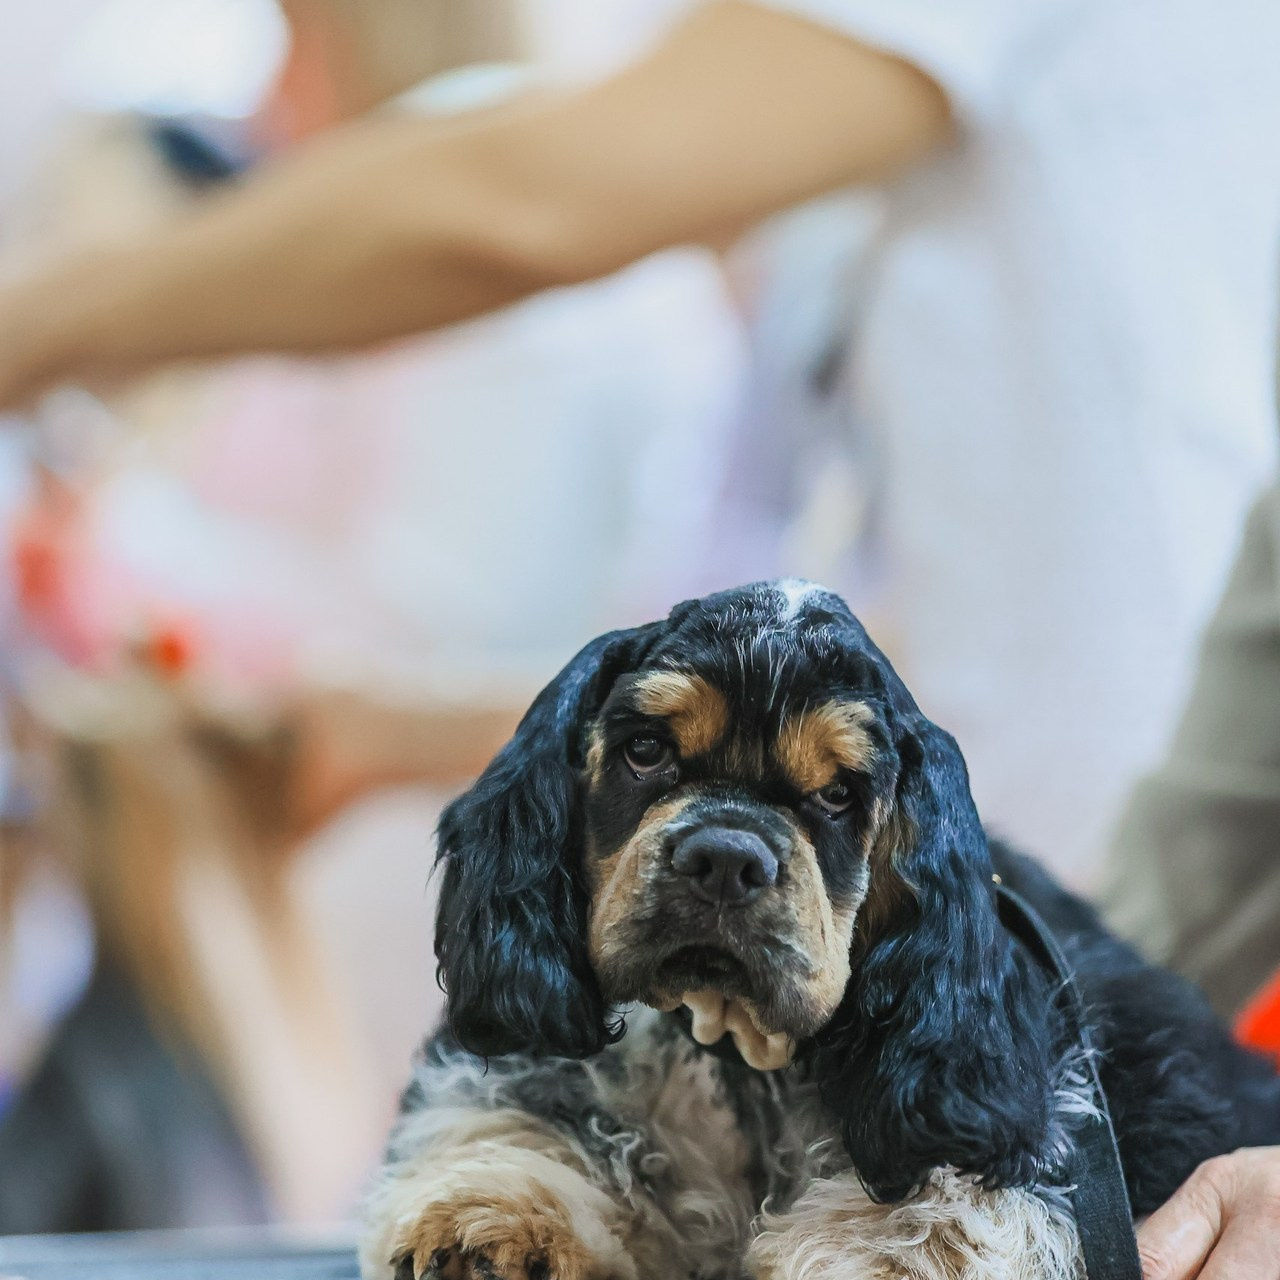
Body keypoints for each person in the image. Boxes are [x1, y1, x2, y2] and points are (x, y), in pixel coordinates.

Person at [2, 1, 1279, 1273]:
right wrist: (413, 724)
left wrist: (30, 324)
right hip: (1044, 920)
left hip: (992, 961)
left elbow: (524, 200)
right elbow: (882, 639)